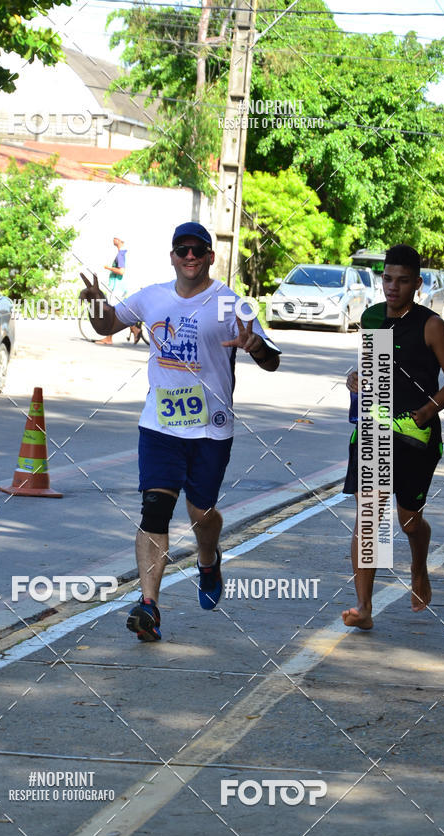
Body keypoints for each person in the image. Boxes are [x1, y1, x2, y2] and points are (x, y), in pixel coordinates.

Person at [80, 222, 281, 641]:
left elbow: (271, 360)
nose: (190, 257)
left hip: (211, 428)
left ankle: (208, 558)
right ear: (172, 256)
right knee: (155, 508)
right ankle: (149, 605)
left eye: (198, 251)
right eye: (182, 250)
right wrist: (96, 303)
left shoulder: (230, 305)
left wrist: (255, 346)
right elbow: (105, 327)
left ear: (210, 257)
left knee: (201, 514)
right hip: (160, 425)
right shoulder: (151, 297)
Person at [342, 243, 444, 630]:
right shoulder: (373, 316)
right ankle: (363, 607)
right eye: (388, 279)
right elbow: (375, 368)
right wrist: (356, 378)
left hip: (415, 434)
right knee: (369, 518)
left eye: (402, 281)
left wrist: (428, 411)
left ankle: (418, 564)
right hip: (375, 429)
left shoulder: (431, 325)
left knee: (408, 520)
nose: (392, 287)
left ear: (417, 283)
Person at [96, 235, 142, 346]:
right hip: (119, 287)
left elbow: (121, 271)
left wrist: (108, 268)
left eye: (115, 237)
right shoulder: (123, 253)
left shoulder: (121, 254)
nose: (113, 239)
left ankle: (108, 338)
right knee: (119, 312)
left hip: (117, 287)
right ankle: (135, 329)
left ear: (120, 240)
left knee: (111, 313)